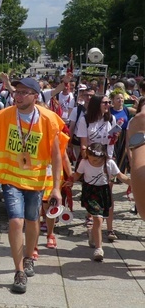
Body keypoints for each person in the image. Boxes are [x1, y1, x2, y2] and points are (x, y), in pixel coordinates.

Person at [0, 78, 65, 294]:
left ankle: (29, 256)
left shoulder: (48, 119)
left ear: (36, 96)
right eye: (17, 92)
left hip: (36, 180)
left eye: (24, 92)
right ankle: (19, 271)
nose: (18, 96)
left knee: (32, 219)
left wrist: (56, 187)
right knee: (16, 221)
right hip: (10, 178)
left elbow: (57, 156)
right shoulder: (3, 116)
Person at [67, 143, 131, 261]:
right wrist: (69, 181)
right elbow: (77, 175)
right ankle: (99, 248)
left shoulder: (109, 163)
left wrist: (134, 183)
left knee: (100, 218)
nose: (93, 162)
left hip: (103, 192)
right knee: (98, 218)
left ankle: (93, 233)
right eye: (91, 159)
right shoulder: (84, 163)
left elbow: (121, 176)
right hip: (90, 191)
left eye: (96, 160)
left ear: (103, 157)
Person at [76, 94, 119, 241]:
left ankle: (110, 228)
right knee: (92, 191)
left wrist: (114, 140)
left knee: (108, 193)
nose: (108, 105)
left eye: (109, 102)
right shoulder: (85, 120)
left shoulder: (111, 119)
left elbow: (112, 142)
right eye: (105, 103)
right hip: (92, 160)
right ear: (97, 104)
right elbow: (83, 142)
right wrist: (87, 157)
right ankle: (92, 222)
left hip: (107, 160)